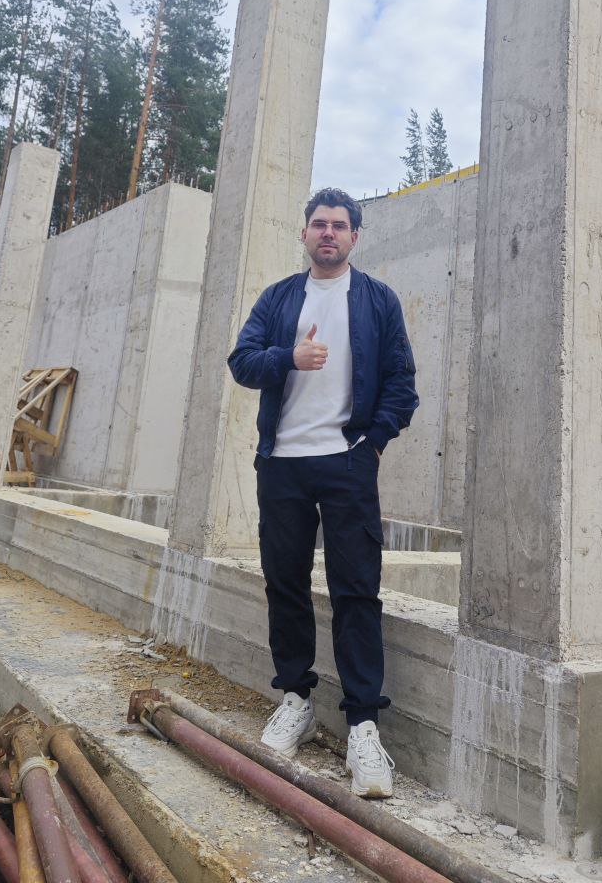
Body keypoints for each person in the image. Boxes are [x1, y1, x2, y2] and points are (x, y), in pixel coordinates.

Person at [227, 187, 418, 798]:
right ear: (304, 233)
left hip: (347, 462)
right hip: (282, 462)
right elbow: (241, 361)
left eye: (339, 225)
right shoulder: (280, 297)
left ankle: (363, 726)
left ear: (355, 236)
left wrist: (373, 444)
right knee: (284, 582)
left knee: (356, 589)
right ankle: (296, 700)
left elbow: (402, 383)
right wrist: (290, 356)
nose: (328, 233)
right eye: (319, 224)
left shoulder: (378, 300)